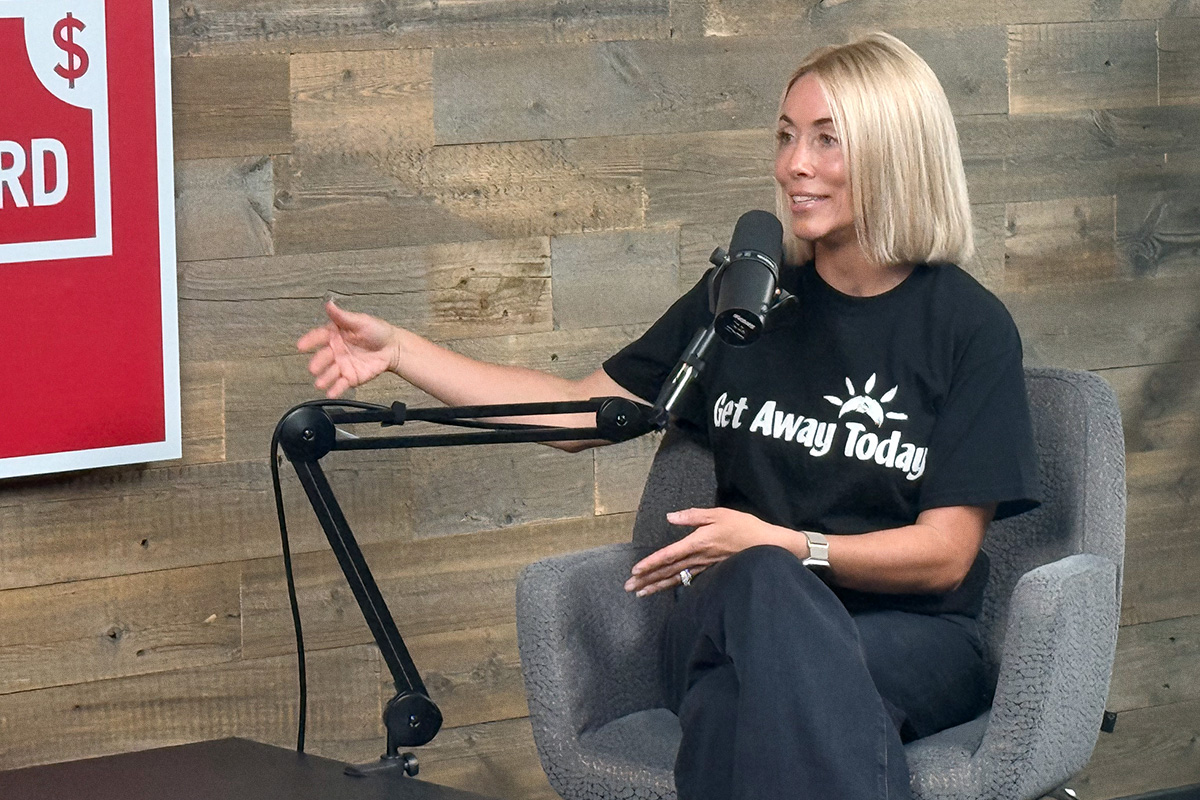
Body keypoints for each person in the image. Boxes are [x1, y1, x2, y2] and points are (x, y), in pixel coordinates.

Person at [298, 32, 1041, 800]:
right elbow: (577, 415)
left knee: (729, 703)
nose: (793, 165)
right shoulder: (744, 299)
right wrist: (403, 352)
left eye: (827, 140)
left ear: (896, 153)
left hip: (911, 635)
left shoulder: (968, 329)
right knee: (758, 581)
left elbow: (947, 555)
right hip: (730, 608)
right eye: (786, 136)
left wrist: (787, 544)